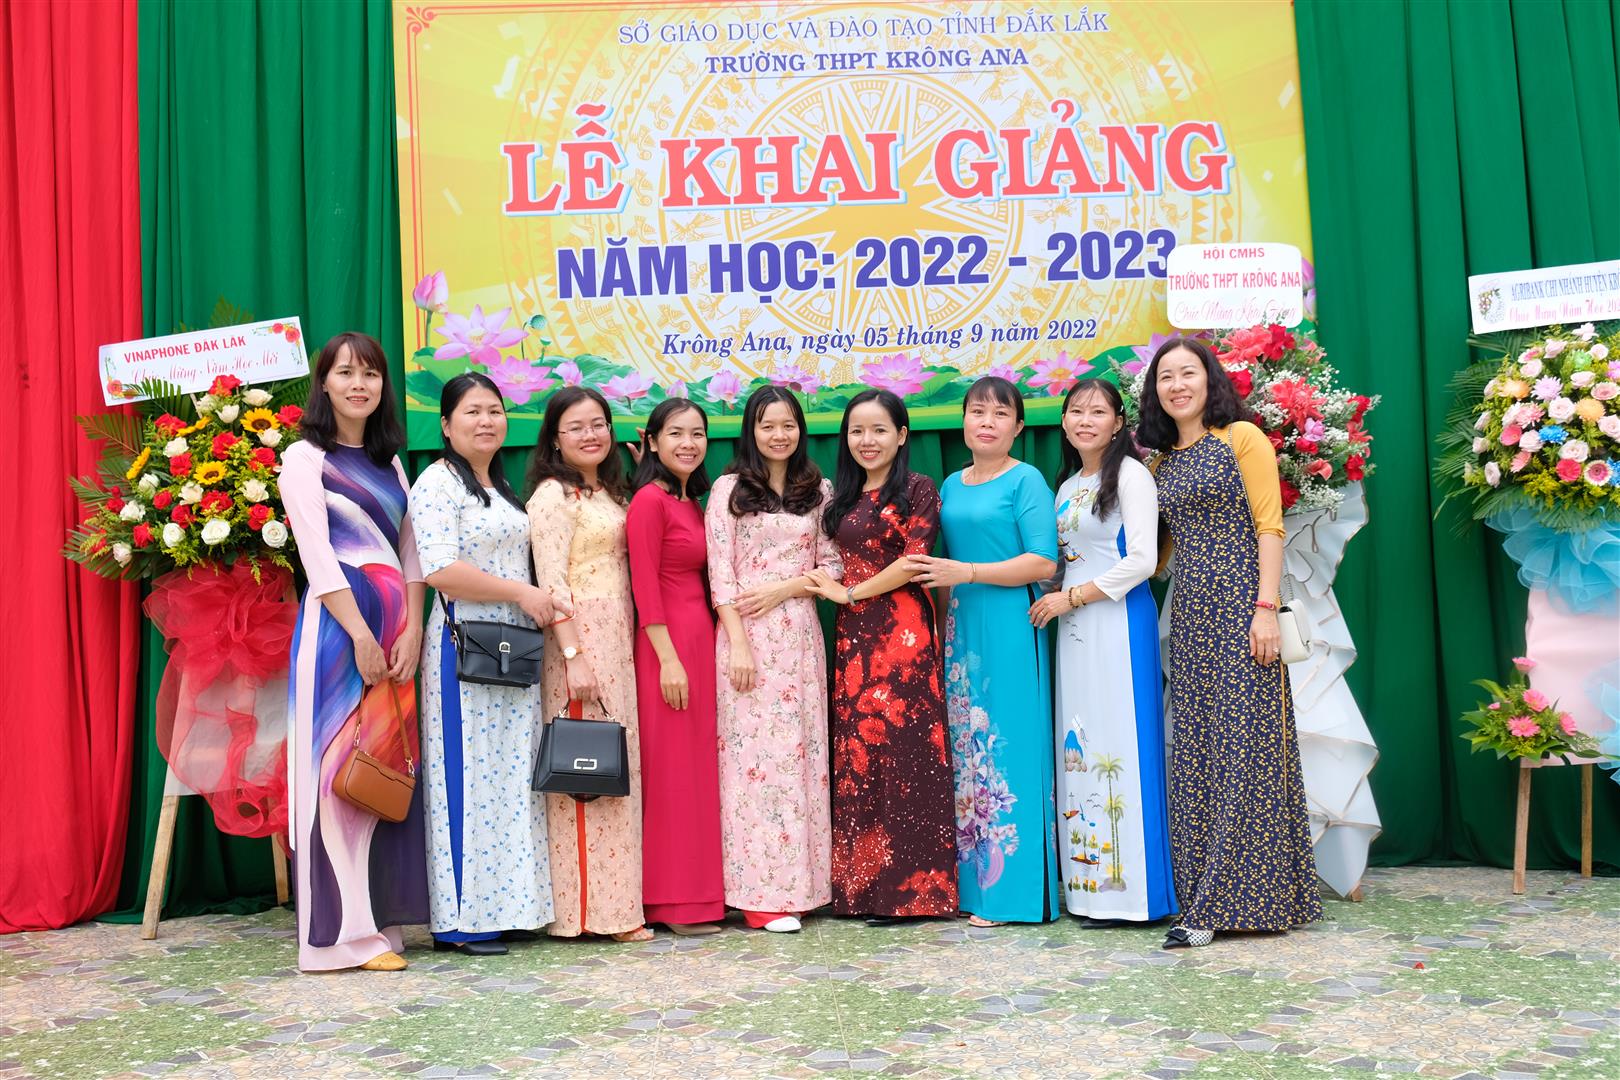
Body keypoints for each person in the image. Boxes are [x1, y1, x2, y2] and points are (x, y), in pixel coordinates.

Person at [1137, 337, 1322, 949]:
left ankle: (1222, 905)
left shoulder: (1242, 438)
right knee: (1197, 752)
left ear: (1209, 379)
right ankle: (1207, 894)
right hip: (1191, 613)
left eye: (1187, 373)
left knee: (1248, 747)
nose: (1177, 385)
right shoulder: (1160, 465)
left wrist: (1265, 609)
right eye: (1165, 377)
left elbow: (1270, 526)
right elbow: (1158, 554)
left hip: (1244, 605)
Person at [281, 331, 428, 972]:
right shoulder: (303, 459)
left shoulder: (390, 463)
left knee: (383, 767)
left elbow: (412, 553)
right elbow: (317, 558)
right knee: (335, 772)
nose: (358, 384)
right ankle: (337, 938)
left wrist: (413, 628)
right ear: (324, 384)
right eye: (345, 373)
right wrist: (362, 635)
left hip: (395, 632)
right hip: (339, 632)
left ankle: (380, 922)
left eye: (370, 374)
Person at [411, 372, 563, 956]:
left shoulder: (499, 487)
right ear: (446, 426)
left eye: (494, 411)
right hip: (463, 645)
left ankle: (510, 908)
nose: (486, 421)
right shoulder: (437, 482)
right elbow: (440, 570)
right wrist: (522, 593)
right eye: (472, 412)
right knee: (466, 776)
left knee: (510, 776)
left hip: (513, 646)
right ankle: (461, 919)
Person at [907, 376, 1059, 927]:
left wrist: (968, 572)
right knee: (968, 753)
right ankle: (975, 888)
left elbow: (1043, 562)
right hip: (962, 626)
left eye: (1000, 413)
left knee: (1008, 745)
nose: (987, 421)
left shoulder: (1026, 480)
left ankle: (1016, 896)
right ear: (964, 421)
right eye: (977, 411)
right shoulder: (952, 483)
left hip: (1011, 622)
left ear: (1018, 427)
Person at [806, 390, 957, 924]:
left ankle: (915, 892)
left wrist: (850, 592)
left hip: (902, 634)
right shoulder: (840, 497)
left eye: (878, 430)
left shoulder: (918, 488)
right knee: (860, 756)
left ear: (902, 435)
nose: (867, 441)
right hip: (854, 639)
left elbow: (915, 560)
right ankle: (863, 892)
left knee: (908, 754)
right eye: (857, 431)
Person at [1028, 379, 1175, 927]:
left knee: (1123, 746)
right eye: (1075, 411)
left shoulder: (1132, 476)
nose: (1085, 420)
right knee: (1080, 744)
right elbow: (1066, 561)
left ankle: (1136, 896)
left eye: (1097, 412)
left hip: (1118, 624)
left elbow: (1142, 561)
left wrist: (1074, 597)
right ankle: (1089, 892)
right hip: (1074, 630)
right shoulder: (1067, 487)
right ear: (1064, 421)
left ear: (1118, 423)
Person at [707, 386, 842, 933]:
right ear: (751, 431)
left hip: (801, 638)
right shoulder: (728, 489)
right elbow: (720, 573)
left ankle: (805, 887)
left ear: (800, 430)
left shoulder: (820, 490)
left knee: (800, 759)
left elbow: (832, 566)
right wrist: (737, 642)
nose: (779, 435)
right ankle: (757, 895)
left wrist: (786, 588)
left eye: (788, 425)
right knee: (752, 764)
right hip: (746, 638)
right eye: (767, 426)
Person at [525, 387, 650, 943]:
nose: (590, 435)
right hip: (580, 640)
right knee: (585, 770)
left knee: (617, 767)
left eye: (598, 423)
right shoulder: (553, 496)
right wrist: (574, 657)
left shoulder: (608, 491)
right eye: (576, 427)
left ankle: (618, 904)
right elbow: (552, 583)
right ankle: (586, 914)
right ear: (555, 438)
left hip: (618, 637)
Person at [626, 399, 724, 935]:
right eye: (676, 434)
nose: (688, 443)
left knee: (698, 768)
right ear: (653, 441)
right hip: (666, 646)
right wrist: (668, 660)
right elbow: (645, 586)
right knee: (671, 771)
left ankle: (704, 894)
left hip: (700, 639)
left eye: (697, 434)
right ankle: (670, 900)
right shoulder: (649, 501)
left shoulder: (692, 502)